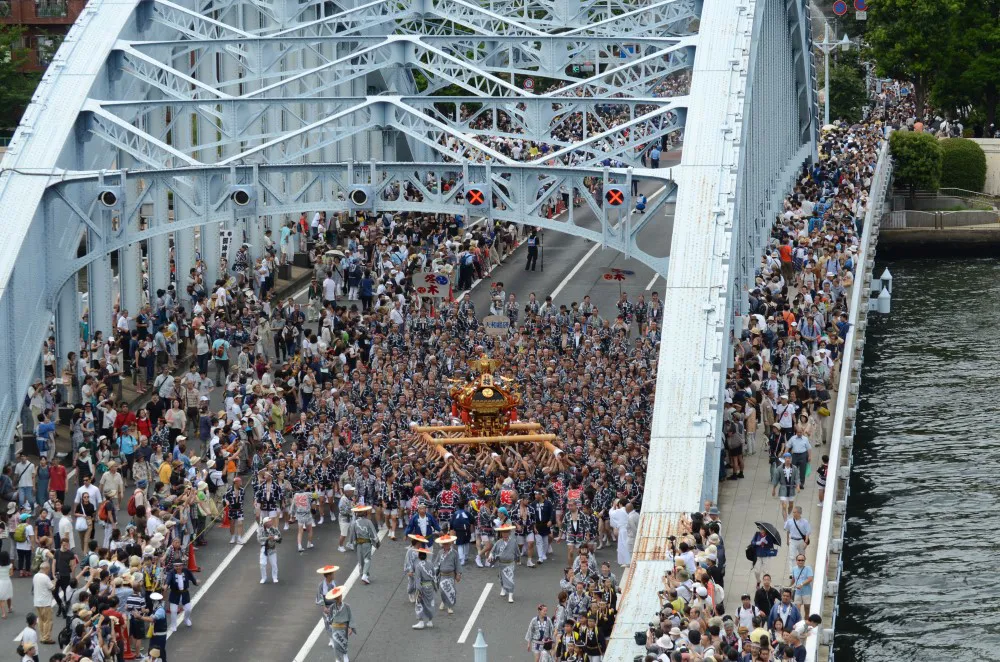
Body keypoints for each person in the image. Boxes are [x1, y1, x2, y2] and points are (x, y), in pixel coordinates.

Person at [347, 504, 378, 585]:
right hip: (367, 543)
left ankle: (364, 575)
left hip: (358, 544)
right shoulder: (368, 522)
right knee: (367, 559)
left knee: (360, 560)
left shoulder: (354, 523)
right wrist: (376, 543)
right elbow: (373, 534)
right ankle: (365, 575)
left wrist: (353, 544)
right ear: (365, 513)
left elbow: (352, 535)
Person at [165, 558, 198, 632]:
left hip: (185, 593)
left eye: (179, 566)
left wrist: (195, 582)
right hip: (174, 593)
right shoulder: (171, 573)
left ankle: (186, 619)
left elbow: (192, 578)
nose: (178, 568)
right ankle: (173, 625)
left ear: (182, 565)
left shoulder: (186, 571)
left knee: (188, 609)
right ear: (174, 567)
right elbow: (168, 579)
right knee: (173, 611)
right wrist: (166, 585)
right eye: (176, 566)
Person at [323, 586, 355, 662]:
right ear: (334, 599)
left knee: (343, 643)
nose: (338, 598)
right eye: (336, 598)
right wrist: (331, 625)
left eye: (339, 596)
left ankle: (345, 655)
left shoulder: (347, 606)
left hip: (344, 628)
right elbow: (329, 619)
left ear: (341, 596)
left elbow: (350, 617)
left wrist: (350, 627)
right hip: (335, 628)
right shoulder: (331, 608)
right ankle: (338, 659)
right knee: (336, 645)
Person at [490, 523, 517, 603]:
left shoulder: (513, 541)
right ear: (501, 533)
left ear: (509, 533)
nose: (505, 534)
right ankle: (503, 588)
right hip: (501, 563)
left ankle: (510, 595)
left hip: (510, 563)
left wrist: (518, 559)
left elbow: (517, 551)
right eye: (503, 532)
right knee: (502, 578)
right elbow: (493, 551)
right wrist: (490, 556)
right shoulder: (498, 542)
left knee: (510, 579)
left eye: (506, 532)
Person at [410, 546, 436, 629]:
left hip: (422, 587)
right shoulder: (430, 564)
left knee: (419, 604)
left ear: (418, 556)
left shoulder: (418, 566)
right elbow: (434, 575)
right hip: (430, 586)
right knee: (429, 603)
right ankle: (430, 621)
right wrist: (435, 586)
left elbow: (418, 579)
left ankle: (421, 621)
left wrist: (418, 590)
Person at [434, 534, 460, 615]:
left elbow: (457, 564)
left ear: (450, 543)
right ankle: (443, 601)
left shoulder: (454, 553)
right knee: (442, 591)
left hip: (451, 575)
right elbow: (436, 564)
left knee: (450, 590)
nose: (446, 545)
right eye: (444, 544)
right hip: (442, 575)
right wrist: (434, 574)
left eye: (447, 543)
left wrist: (458, 574)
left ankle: (449, 606)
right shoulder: (440, 553)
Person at [31, 563, 56, 644]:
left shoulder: (35, 576)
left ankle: (42, 636)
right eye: (48, 569)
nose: (48, 571)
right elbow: (52, 588)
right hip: (45, 602)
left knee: (41, 620)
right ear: (46, 568)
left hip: (37, 602)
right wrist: (54, 581)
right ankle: (47, 637)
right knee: (48, 621)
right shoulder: (45, 577)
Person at [783, 507, 810, 575]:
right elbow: (788, 531)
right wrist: (787, 540)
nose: (793, 514)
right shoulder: (789, 521)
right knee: (792, 557)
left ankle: (801, 570)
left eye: (795, 512)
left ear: (799, 513)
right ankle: (792, 573)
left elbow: (807, 532)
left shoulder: (805, 522)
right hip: (792, 540)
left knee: (802, 556)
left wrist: (806, 542)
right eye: (793, 512)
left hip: (801, 541)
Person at [257, 516, 281, 584]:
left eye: (271, 522)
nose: (271, 523)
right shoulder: (261, 530)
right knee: (262, 564)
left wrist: (276, 538)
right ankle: (263, 577)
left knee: (274, 564)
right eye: (269, 522)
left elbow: (279, 537)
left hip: (272, 548)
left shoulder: (274, 529)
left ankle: (275, 577)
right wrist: (268, 538)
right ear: (265, 523)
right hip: (264, 548)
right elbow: (259, 539)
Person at [0, 550, 12, 618]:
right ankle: (9, 608)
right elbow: (11, 574)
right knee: (9, 596)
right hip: (8, 581)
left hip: (1, 582)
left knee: (1, 599)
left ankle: (4, 613)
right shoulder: (10, 565)